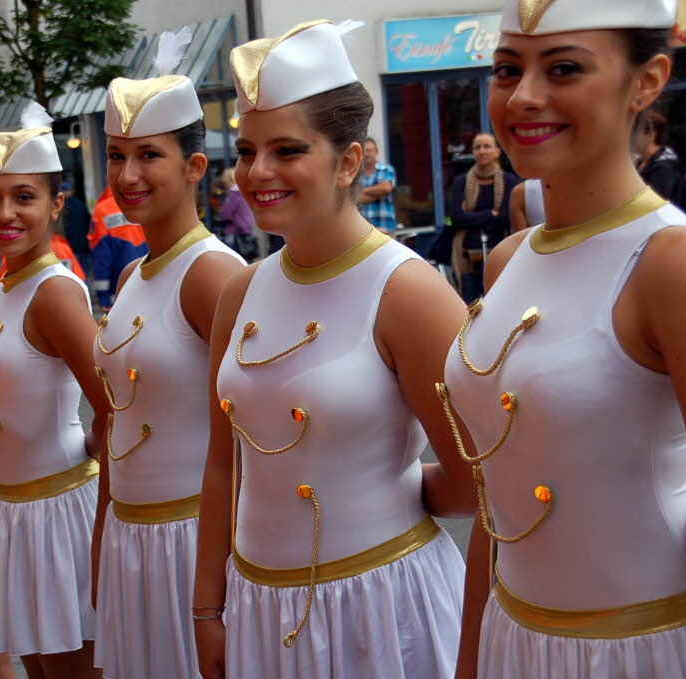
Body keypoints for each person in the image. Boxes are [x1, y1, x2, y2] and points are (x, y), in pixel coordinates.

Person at [194, 20, 475, 679]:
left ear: (349, 161)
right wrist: (209, 607)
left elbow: (476, 480)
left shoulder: (407, 291)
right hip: (259, 606)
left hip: (383, 606)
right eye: (246, 150)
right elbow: (219, 467)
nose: (257, 171)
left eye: (287, 149)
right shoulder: (239, 293)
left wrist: (381, 493)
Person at [439, 2, 686, 677]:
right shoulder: (508, 260)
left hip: (642, 650)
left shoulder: (672, 261)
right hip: (512, 638)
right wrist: (470, 659)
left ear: (647, 81)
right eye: (506, 69)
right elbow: (492, 506)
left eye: (563, 68)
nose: (524, 96)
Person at [90, 27, 245, 679]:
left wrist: (220, 590)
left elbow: (245, 444)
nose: (128, 175)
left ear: (195, 166)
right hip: (131, 540)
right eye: (117, 155)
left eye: (148, 155)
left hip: (193, 546)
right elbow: (113, 427)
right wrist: (103, 553)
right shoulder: (131, 277)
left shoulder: (213, 273)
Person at [0, 103, 108, 679]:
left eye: (24, 196)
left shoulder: (56, 293)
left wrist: (91, 460)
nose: (5, 212)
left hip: (62, 515)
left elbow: (116, 408)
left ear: (57, 204)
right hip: (7, 516)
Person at [449, 132, 520, 301]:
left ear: (497, 151)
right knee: (470, 308)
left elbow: (504, 217)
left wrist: (471, 216)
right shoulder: (461, 182)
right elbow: (457, 218)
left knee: (500, 303)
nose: (482, 151)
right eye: (477, 147)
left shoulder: (509, 180)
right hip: (467, 258)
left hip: (499, 254)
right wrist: (490, 214)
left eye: (487, 147)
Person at [87, 186, 148, 310]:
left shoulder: (102, 209)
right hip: (148, 282)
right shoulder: (146, 202)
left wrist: (103, 297)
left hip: (118, 290)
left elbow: (102, 257)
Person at [635, 108, 682, 200]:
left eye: (636, 132)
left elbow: (653, 201)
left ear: (651, 135)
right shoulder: (641, 162)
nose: (631, 137)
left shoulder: (664, 167)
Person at [356, 137, 398, 232]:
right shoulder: (356, 175)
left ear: (376, 152)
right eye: (364, 151)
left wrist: (362, 194)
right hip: (365, 232)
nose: (366, 154)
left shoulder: (386, 169)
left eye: (369, 151)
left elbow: (386, 188)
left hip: (386, 229)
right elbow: (354, 199)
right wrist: (377, 191)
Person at [218, 167, 258, 261]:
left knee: (233, 261)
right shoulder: (242, 192)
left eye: (224, 176)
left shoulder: (233, 194)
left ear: (230, 178)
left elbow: (224, 214)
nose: (222, 179)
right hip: (245, 231)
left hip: (234, 232)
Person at [62, 181, 92, 273]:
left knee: (73, 274)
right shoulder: (80, 204)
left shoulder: (60, 208)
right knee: (83, 272)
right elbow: (89, 223)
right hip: (82, 245)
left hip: (68, 247)